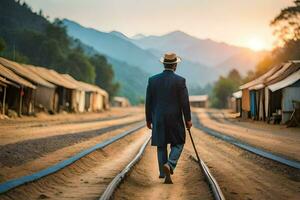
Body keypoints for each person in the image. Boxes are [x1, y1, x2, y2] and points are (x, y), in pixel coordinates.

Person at [145, 52, 192, 184]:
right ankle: (170, 165)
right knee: (179, 142)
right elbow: (185, 102)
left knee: (161, 144)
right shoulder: (180, 81)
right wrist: (188, 119)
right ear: (175, 65)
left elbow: (148, 102)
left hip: (158, 118)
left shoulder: (153, 80)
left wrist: (148, 119)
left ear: (164, 64)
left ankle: (162, 172)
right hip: (175, 119)